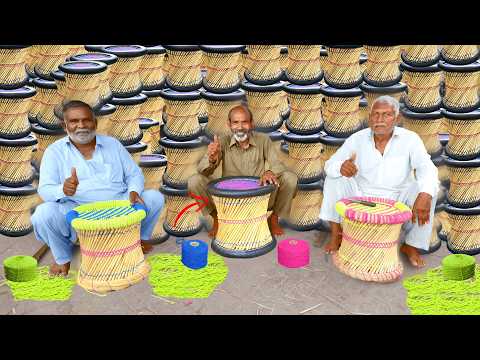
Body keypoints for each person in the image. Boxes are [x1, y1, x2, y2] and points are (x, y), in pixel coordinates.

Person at [31, 100, 164, 276]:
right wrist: (63, 190)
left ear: (95, 123)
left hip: (119, 207)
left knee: (154, 197)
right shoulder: (54, 152)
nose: (81, 125)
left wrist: (133, 192)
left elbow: (134, 174)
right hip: (78, 211)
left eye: (86, 120)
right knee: (43, 214)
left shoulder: (113, 145)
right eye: (74, 121)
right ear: (65, 125)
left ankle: (137, 240)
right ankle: (63, 258)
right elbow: (45, 189)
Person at [319, 95, 438, 268]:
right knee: (334, 177)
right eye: (375, 114)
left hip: (397, 198)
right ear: (369, 119)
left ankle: (411, 246)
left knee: (428, 189)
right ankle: (337, 233)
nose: (379, 119)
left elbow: (426, 167)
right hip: (361, 196)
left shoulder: (410, 139)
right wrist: (341, 167)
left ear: (397, 118)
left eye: (386, 115)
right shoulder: (357, 139)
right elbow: (330, 165)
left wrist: (425, 194)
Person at [188, 104, 298, 237]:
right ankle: (217, 219)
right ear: (229, 124)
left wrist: (270, 172)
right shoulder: (221, 142)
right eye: (235, 122)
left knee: (290, 178)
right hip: (228, 199)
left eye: (244, 122)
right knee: (194, 181)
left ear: (251, 124)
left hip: (259, 198)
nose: (240, 127)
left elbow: (277, 164)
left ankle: (273, 219)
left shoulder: (263, 140)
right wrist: (211, 158)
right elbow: (202, 171)